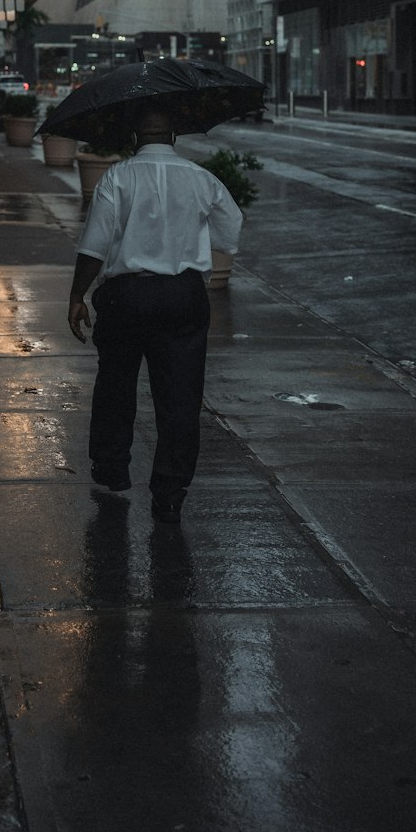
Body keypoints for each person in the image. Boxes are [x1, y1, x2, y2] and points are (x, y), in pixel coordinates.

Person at [67, 104, 243, 522]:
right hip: (183, 295)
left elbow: (94, 246)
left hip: (126, 295)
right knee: (181, 395)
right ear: (175, 136)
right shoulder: (202, 179)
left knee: (115, 383)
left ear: (133, 138)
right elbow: (230, 232)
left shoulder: (118, 176)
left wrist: (76, 295)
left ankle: (112, 468)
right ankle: (170, 486)